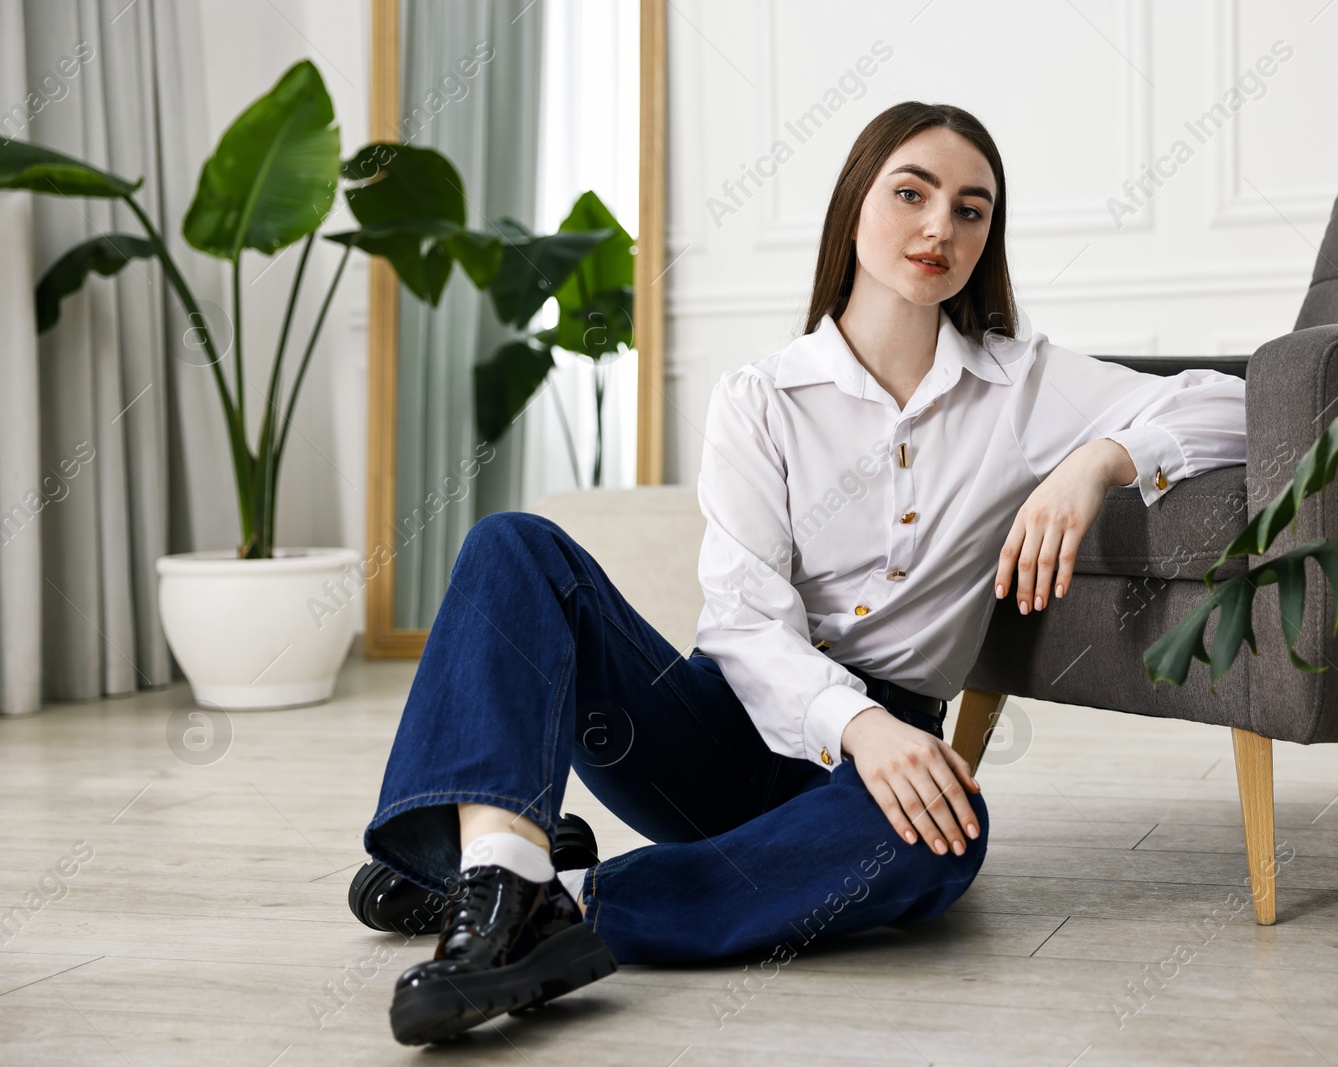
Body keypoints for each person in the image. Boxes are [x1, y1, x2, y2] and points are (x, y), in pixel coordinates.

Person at [356, 100, 1248, 1046]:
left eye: (971, 209)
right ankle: (499, 864)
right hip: (715, 728)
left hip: (875, 765)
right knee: (512, 546)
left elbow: (1229, 406)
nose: (940, 225)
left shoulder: (1022, 385)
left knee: (942, 840)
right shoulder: (761, 397)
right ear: (855, 202)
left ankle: (551, 892)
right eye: (912, 192)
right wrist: (856, 726)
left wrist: (1096, 463)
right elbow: (742, 622)